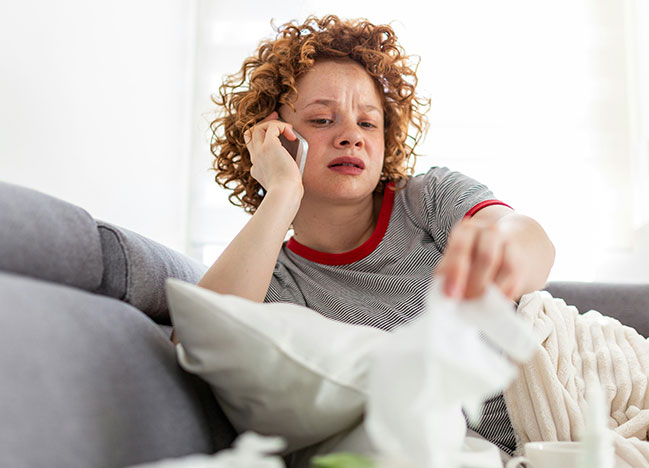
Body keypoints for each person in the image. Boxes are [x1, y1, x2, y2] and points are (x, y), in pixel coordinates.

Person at [173, 15, 555, 454]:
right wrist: (281, 191)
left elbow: (527, 238)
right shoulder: (276, 279)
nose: (351, 136)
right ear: (277, 138)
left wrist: (503, 251)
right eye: (321, 120)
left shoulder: (427, 198)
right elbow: (198, 338)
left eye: (368, 123)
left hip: (560, 411)